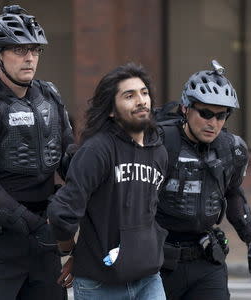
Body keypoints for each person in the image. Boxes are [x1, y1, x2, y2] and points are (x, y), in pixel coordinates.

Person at [0, 5, 74, 300]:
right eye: (19, 50)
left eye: (34, 50)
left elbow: (70, 160)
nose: (29, 58)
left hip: (42, 243)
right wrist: (36, 226)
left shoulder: (50, 97)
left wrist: (74, 209)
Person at [47, 63, 169, 300]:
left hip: (149, 280)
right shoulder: (97, 150)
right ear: (111, 110)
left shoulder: (159, 152)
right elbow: (61, 214)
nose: (141, 100)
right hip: (100, 284)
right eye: (129, 96)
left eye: (144, 93)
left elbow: (147, 214)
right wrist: (71, 252)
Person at [156, 60, 251, 300]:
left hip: (206, 260)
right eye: (205, 113)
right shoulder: (160, 143)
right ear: (185, 108)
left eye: (221, 116)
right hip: (158, 262)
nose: (212, 123)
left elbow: (233, 193)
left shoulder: (232, 150)